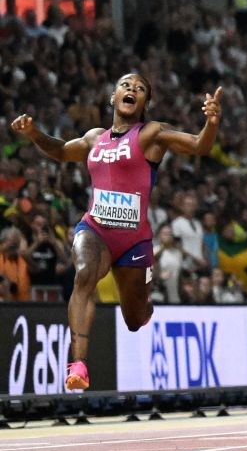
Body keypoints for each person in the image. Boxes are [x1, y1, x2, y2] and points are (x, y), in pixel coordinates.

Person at [10, 73, 223, 390]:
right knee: (83, 276)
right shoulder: (95, 138)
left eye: (140, 89)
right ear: (113, 97)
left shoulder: (151, 134)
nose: (132, 90)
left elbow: (198, 146)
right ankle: (78, 366)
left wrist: (212, 124)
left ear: (144, 104)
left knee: (134, 320)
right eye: (126, 85)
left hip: (134, 239)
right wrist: (34, 134)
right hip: (95, 227)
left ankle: (145, 304)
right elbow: (59, 151)